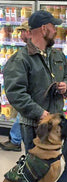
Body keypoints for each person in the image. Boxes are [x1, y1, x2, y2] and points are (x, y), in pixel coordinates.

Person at [3, 10, 67, 182]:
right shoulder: (20, 59)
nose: (56, 31)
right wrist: (39, 113)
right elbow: (16, 94)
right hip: (34, 125)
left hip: (58, 123)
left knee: (64, 159)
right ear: (44, 28)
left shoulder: (57, 55)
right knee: (37, 166)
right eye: (54, 27)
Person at [0, 21, 31, 152]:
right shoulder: (26, 50)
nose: (20, 35)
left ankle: (16, 140)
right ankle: (15, 139)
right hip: (26, 91)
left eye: (22, 31)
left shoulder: (31, 50)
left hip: (28, 92)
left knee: (23, 114)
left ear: (28, 32)